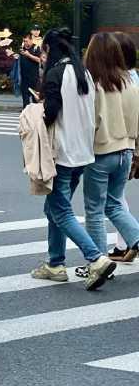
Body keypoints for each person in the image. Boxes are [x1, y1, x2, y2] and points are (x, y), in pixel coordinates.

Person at [30, 27, 116, 291]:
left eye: (43, 51)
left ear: (49, 49)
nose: (42, 57)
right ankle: (55, 263)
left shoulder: (55, 74)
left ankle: (96, 258)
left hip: (62, 153)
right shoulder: (83, 73)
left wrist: (36, 111)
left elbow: (51, 113)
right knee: (54, 209)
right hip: (82, 154)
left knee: (61, 211)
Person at [81, 33, 139, 272]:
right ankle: (136, 238)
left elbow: (89, 122)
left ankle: (98, 262)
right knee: (114, 204)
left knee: (94, 210)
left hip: (101, 151)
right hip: (126, 150)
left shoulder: (94, 85)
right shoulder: (130, 84)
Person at [109, 32, 139, 261]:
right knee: (116, 196)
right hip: (129, 144)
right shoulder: (132, 77)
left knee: (113, 197)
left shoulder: (124, 81)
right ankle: (124, 243)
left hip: (125, 144)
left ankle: (130, 241)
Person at [19, 32, 42, 108]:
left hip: (34, 79)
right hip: (24, 79)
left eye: (26, 41)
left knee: (35, 100)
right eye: (24, 41)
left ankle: (35, 114)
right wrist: (16, 56)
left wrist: (29, 55)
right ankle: (26, 112)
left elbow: (39, 60)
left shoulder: (36, 48)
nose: (25, 43)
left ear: (31, 40)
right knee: (25, 102)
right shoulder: (22, 48)